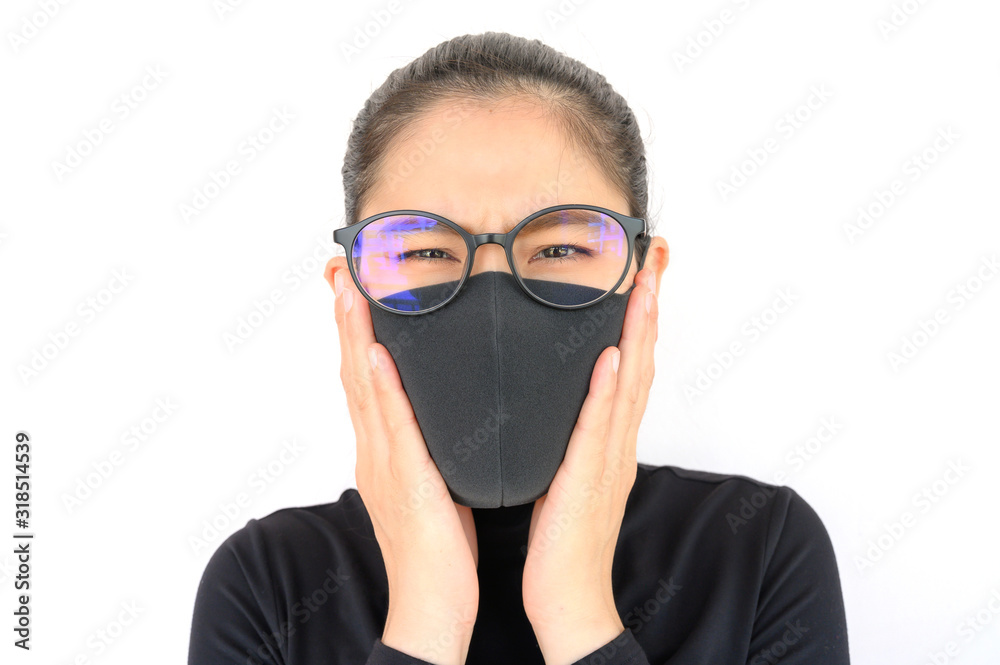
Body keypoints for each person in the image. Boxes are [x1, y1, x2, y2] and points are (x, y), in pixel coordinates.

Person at [187, 31, 850, 665]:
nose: (493, 299)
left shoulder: (757, 549)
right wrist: (425, 619)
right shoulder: (267, 584)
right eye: (424, 250)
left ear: (644, 280)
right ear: (350, 293)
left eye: (561, 247)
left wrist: (578, 613)